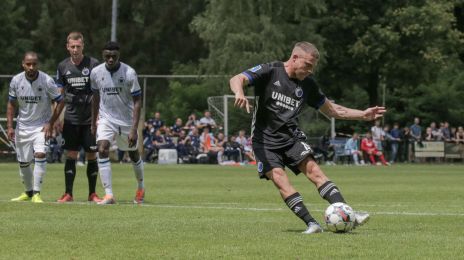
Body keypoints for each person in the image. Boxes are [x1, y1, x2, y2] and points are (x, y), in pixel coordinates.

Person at [229, 41, 386, 234]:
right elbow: (237, 78)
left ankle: (349, 214)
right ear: (295, 58)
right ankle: (312, 224)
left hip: (291, 138)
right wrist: (239, 92)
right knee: (280, 179)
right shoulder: (270, 70)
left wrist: (363, 115)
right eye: (308, 65)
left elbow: (333, 110)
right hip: (264, 141)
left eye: (313, 67)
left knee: (315, 171)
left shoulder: (308, 85)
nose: (310, 71)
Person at [90, 41, 145, 204]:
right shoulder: (95, 72)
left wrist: (134, 129)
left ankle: (141, 187)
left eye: (114, 56)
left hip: (127, 120)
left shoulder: (129, 73)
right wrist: (94, 122)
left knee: (133, 154)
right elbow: (95, 97)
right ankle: (109, 195)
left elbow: (137, 101)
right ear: (103, 55)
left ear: (119, 55)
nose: (110, 59)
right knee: (102, 148)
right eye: (107, 56)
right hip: (106, 119)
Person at [7, 51, 65, 203]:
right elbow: (11, 104)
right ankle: (28, 192)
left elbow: (61, 101)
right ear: (23, 64)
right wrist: (10, 127)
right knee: (24, 162)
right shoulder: (16, 80)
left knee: (40, 155)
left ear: (37, 64)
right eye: (28, 64)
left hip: (41, 126)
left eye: (34, 64)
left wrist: (50, 123)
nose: (31, 67)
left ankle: (37, 194)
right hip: (23, 126)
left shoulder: (46, 80)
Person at [55, 32, 102, 203]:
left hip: (90, 119)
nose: (75, 49)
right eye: (72, 46)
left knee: (91, 154)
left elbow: (100, 93)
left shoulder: (94, 64)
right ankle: (68, 193)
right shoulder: (62, 66)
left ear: (83, 46)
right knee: (71, 154)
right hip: (71, 118)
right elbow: (59, 96)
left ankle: (92, 194)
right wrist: (57, 118)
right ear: (67, 47)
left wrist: (98, 117)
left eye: (78, 46)